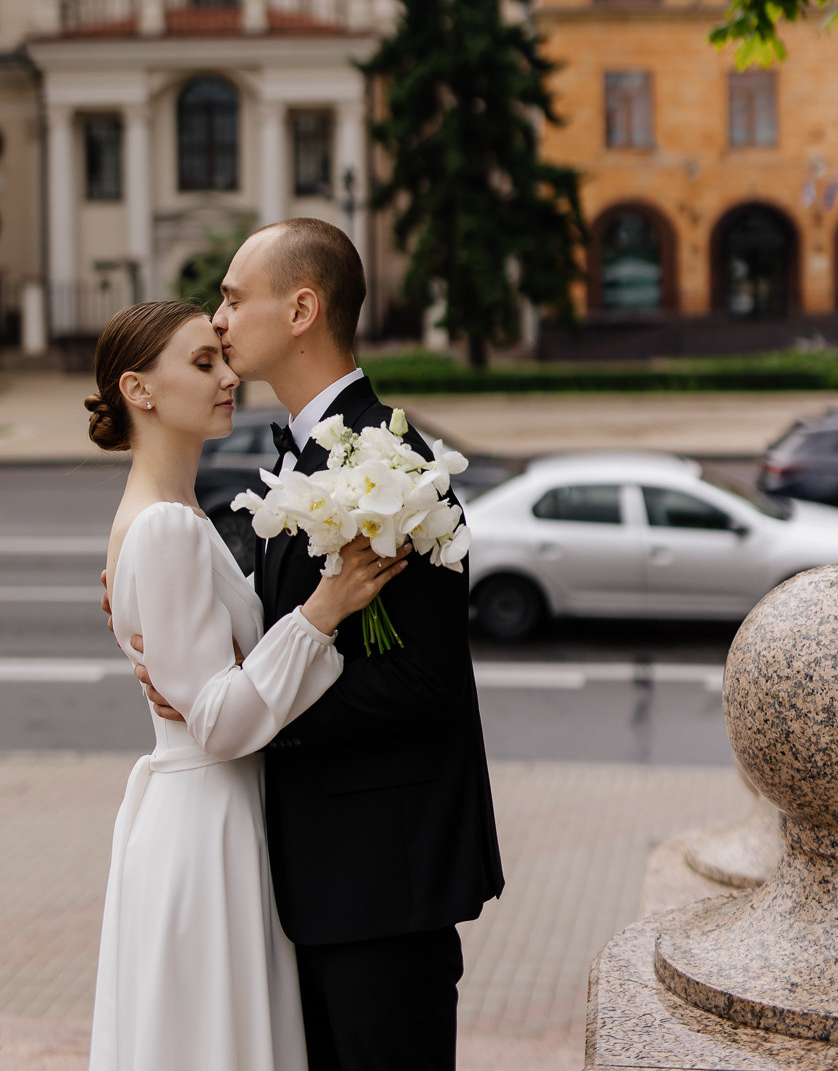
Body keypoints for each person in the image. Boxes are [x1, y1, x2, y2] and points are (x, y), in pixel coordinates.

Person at [130, 221, 504, 1071]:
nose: (218, 320)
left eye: (232, 298)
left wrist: (247, 708)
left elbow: (424, 682)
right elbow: (264, 597)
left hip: (380, 883)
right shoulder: (307, 458)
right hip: (311, 879)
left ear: (302, 309)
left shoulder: (398, 473)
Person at [86, 298, 407, 1071]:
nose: (229, 376)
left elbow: (210, 688)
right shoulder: (163, 526)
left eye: (222, 357)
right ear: (140, 390)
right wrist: (323, 610)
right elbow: (222, 724)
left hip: (207, 811)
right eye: (203, 364)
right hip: (206, 821)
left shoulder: (169, 517)